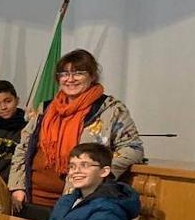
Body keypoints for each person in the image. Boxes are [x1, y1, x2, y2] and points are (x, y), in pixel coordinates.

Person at [10, 49, 144, 211]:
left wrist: (97, 173)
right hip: (32, 196)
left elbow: (133, 148)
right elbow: (23, 147)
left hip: (79, 199)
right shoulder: (45, 108)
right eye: (64, 74)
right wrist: (18, 186)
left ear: (92, 76)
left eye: (78, 73)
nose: (70, 79)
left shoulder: (111, 109)